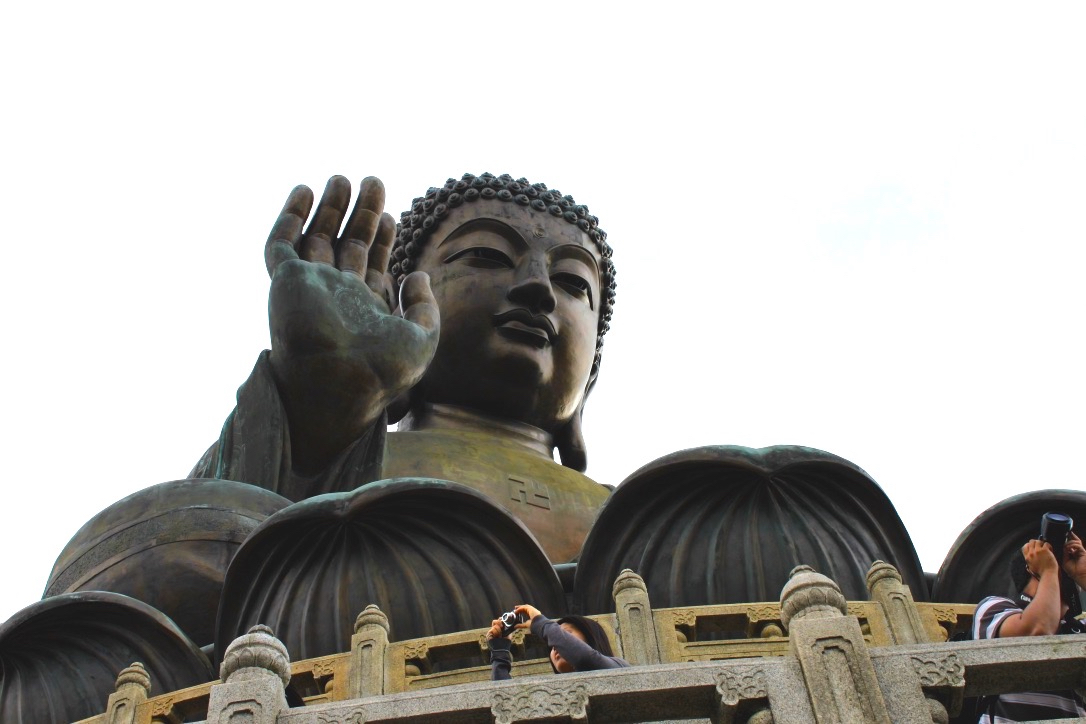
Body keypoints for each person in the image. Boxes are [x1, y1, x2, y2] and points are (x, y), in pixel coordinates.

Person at [191, 173, 617, 562]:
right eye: (487, 255)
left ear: (592, 375)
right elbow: (192, 559)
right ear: (398, 307)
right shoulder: (345, 468)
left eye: (574, 282)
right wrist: (316, 407)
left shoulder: (630, 511)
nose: (538, 287)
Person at [972, 531, 1086, 722]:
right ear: (1032, 569)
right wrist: (1049, 571)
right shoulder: (994, 609)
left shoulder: (1080, 629)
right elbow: (1038, 632)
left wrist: (1083, 574)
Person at [486, 604, 628, 680]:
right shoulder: (554, 697)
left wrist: (540, 623)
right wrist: (500, 652)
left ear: (591, 639)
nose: (555, 647)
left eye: (565, 634)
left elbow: (585, 658)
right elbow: (505, 702)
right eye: (553, 644)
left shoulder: (620, 668)